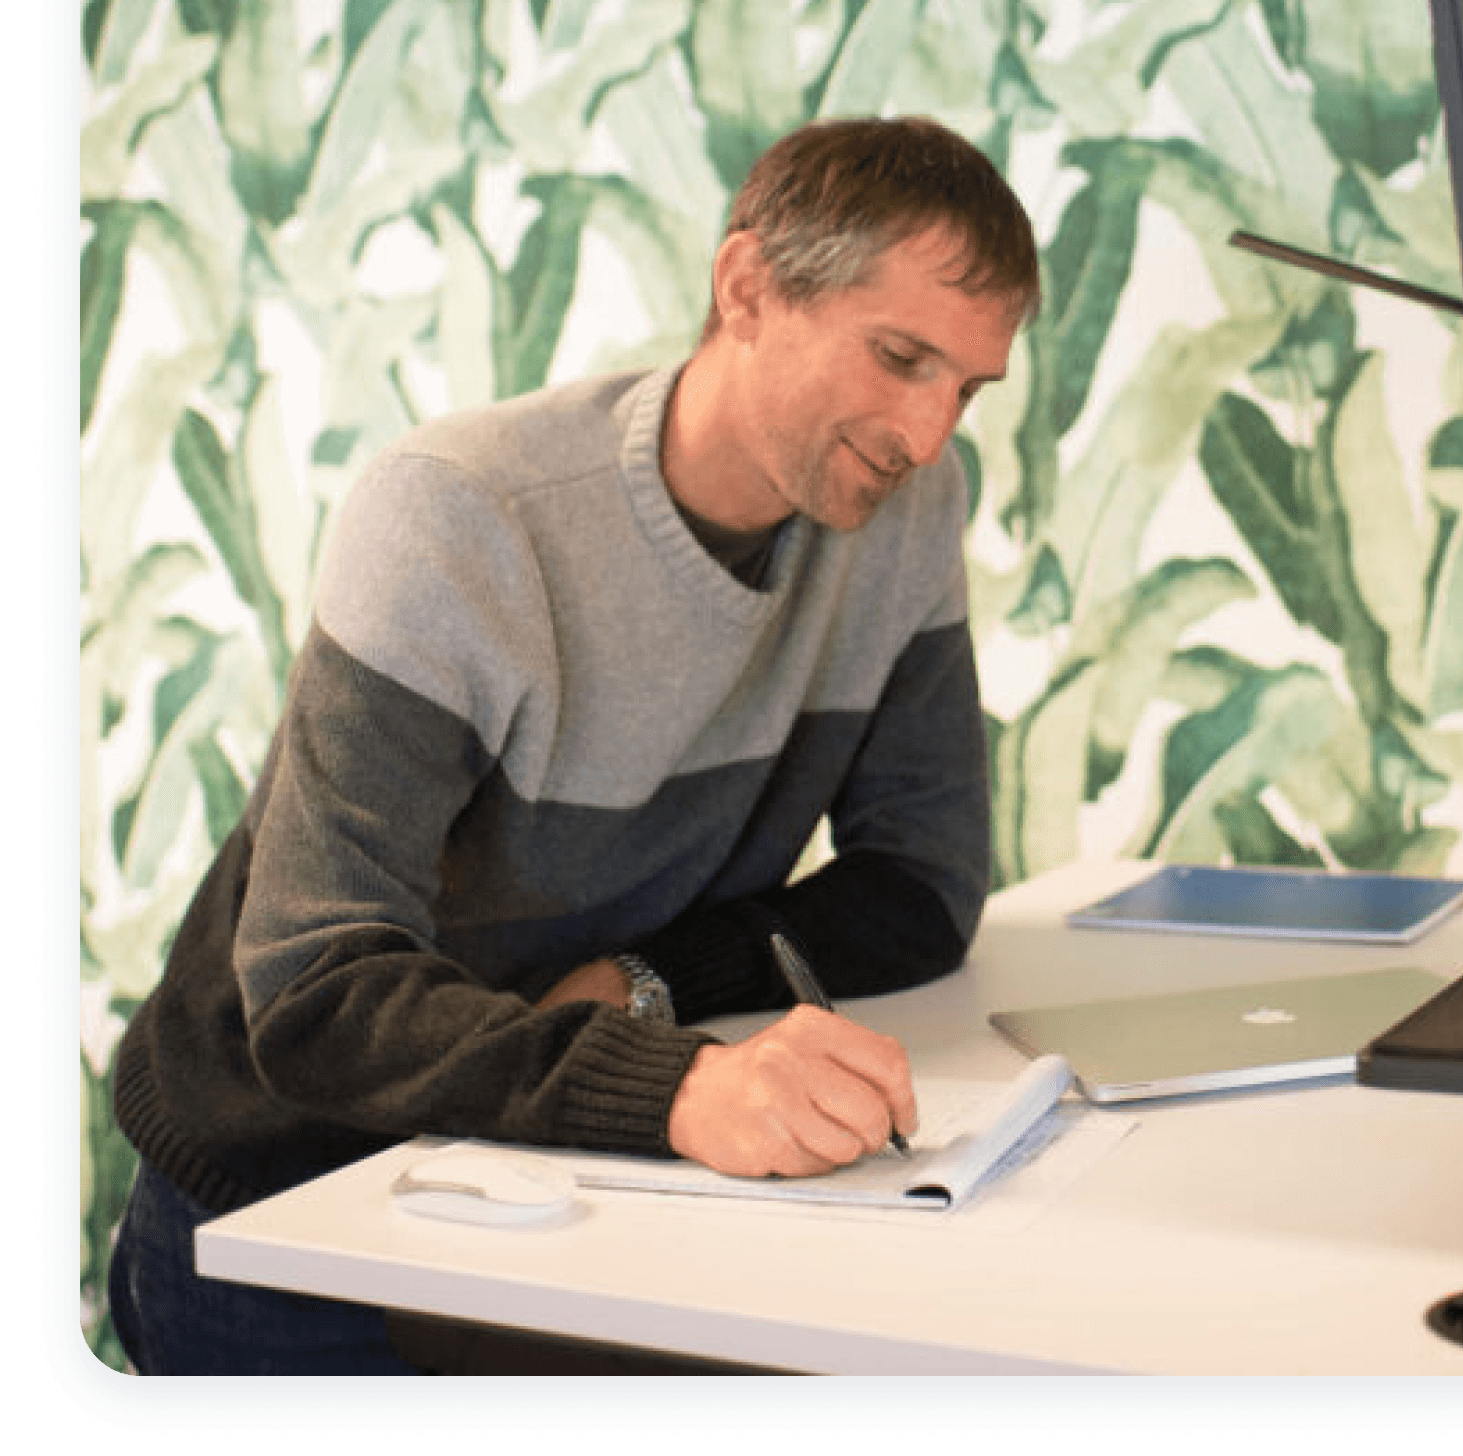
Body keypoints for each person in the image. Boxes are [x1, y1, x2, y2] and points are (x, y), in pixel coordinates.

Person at [106, 116, 1041, 1375]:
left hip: (555, 1176)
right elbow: (322, 992)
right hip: (286, 1186)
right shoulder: (457, 514)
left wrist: (647, 980)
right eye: (898, 357)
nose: (929, 434)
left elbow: (921, 887)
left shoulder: (905, 509)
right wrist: (670, 1086)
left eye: (967, 388)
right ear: (746, 287)